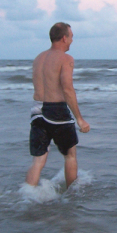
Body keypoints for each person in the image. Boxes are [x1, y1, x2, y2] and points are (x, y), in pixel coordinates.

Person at [26, 22, 90, 189]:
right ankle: (71, 196)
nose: (71, 41)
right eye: (71, 37)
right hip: (56, 110)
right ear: (64, 38)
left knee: (38, 159)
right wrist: (80, 119)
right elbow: (67, 89)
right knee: (70, 155)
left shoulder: (38, 58)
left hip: (36, 110)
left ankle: (27, 197)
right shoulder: (66, 59)